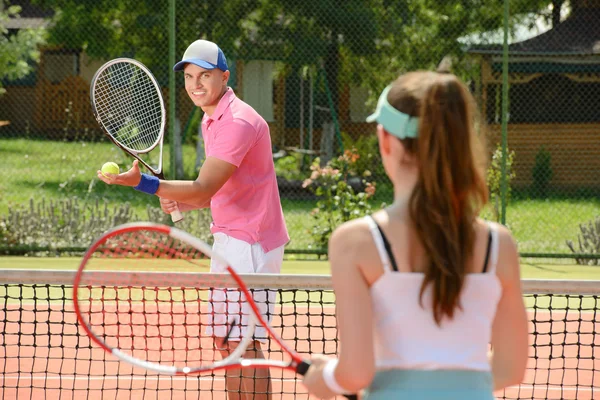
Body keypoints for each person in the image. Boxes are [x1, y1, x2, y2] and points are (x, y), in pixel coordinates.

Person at [301, 70, 529, 399]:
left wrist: (325, 380)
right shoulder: (499, 244)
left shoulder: (354, 242)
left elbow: (356, 372)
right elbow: (510, 368)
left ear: (385, 140)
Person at [97, 39, 289, 400]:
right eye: (189, 76)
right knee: (226, 342)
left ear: (225, 77)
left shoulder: (237, 121)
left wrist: (145, 183)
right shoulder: (212, 118)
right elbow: (225, 189)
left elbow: (204, 188)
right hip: (231, 238)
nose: (196, 84)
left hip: (251, 242)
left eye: (205, 75)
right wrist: (183, 204)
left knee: (243, 345)